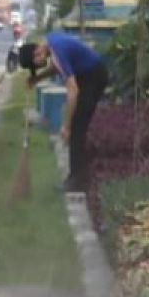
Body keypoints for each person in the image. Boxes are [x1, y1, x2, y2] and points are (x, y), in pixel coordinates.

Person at [23, 32, 109, 193]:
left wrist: (66, 126)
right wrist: (38, 78)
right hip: (89, 76)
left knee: (76, 129)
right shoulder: (51, 42)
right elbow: (58, 67)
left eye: (36, 65)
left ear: (37, 53)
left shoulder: (57, 52)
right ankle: (78, 178)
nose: (39, 66)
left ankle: (77, 182)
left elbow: (73, 91)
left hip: (94, 78)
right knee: (77, 128)